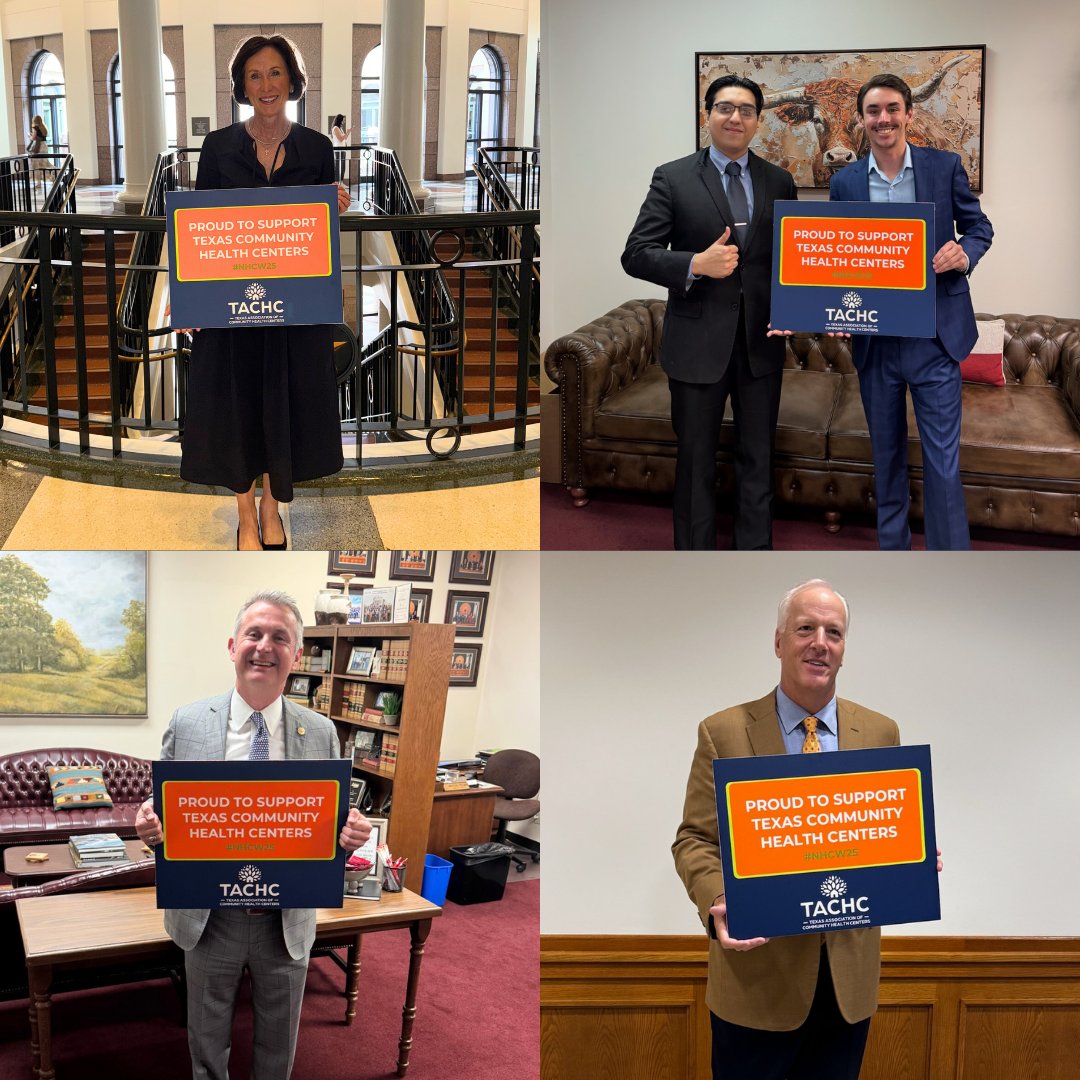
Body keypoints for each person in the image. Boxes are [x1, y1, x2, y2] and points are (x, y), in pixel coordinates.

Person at [672, 579, 942, 1080]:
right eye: (805, 628)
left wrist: (914, 860)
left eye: (834, 632)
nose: (820, 641)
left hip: (846, 989)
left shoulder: (881, 733)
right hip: (757, 985)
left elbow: (885, 838)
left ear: (843, 651)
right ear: (779, 642)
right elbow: (694, 840)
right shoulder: (724, 731)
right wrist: (715, 899)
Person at [135, 590, 371, 1080]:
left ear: (297, 655)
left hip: (284, 923)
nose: (264, 646)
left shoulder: (323, 732)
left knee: (278, 1047)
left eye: (280, 637)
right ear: (232, 646)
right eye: (254, 634)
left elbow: (329, 825)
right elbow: (165, 820)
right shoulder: (188, 722)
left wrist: (349, 835)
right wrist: (151, 829)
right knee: (206, 1042)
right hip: (209, 919)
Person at [179, 35, 351, 550]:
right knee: (237, 407)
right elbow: (200, 229)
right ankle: (245, 516)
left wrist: (335, 206)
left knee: (287, 405)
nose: (266, 85)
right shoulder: (217, 147)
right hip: (233, 311)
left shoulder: (318, 148)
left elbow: (319, 236)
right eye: (255, 75)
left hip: (294, 313)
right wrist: (188, 301)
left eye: (275, 73)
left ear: (292, 81)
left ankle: (273, 508)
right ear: (242, 86)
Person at [622, 75, 798, 550]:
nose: (734, 117)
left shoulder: (779, 181)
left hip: (761, 345)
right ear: (707, 116)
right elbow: (635, 253)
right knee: (696, 464)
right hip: (697, 348)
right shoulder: (673, 177)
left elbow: (790, 262)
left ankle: (754, 555)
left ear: (758, 121)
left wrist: (798, 308)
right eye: (724, 108)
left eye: (745, 110)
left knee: (758, 460)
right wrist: (694, 264)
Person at [830, 74, 993, 550]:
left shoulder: (944, 167)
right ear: (861, 120)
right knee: (887, 459)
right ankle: (893, 555)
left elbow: (979, 227)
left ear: (909, 114)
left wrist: (964, 254)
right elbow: (840, 258)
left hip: (935, 339)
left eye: (893, 109)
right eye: (874, 111)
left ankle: (950, 561)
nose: (884, 119)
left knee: (942, 465)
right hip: (875, 342)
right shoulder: (844, 182)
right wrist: (837, 311)